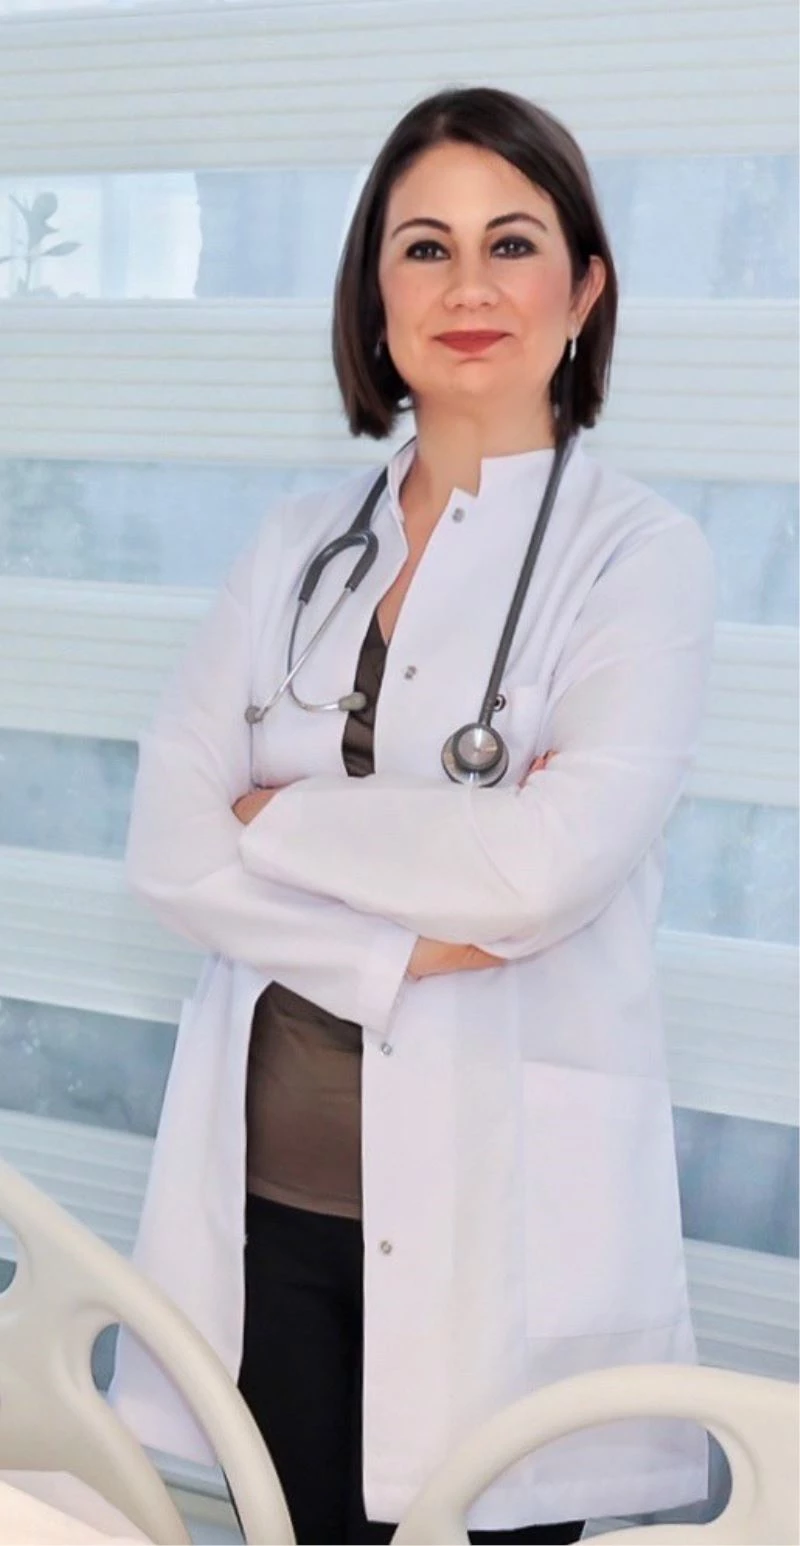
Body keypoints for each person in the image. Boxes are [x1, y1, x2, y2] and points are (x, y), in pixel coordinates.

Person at [109, 87, 716, 1545]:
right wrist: (403, 940)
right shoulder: (295, 544)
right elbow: (167, 845)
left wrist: (277, 818)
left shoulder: (642, 559)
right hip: (269, 1209)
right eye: (425, 248)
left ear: (585, 291)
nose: (468, 286)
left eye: (513, 243)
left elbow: (539, 870)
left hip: (499, 1231)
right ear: (375, 299)